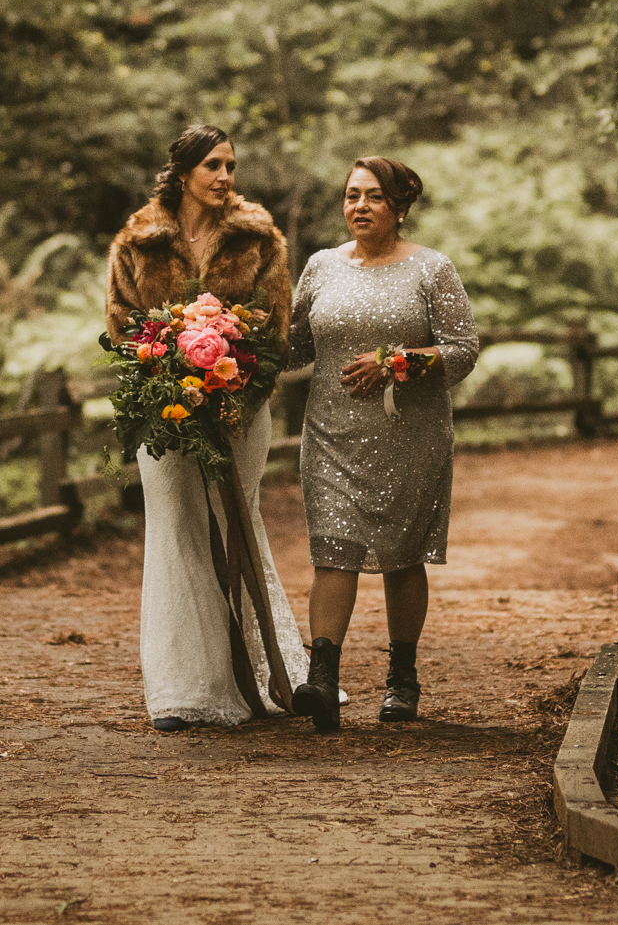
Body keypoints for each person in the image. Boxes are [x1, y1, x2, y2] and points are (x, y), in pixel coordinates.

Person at [105, 124, 308, 731]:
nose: (225, 177)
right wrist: (165, 371)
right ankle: (183, 688)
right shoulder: (138, 242)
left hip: (239, 412)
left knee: (237, 523)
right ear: (184, 171)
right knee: (175, 529)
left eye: (231, 166)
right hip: (161, 414)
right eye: (213, 166)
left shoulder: (259, 239)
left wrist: (232, 389)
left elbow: (275, 332)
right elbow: (121, 326)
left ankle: (258, 672)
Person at [286, 156, 480, 731]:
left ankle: (402, 678)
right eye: (351, 196)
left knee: (401, 553)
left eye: (372, 196)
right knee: (333, 548)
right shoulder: (320, 267)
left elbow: (463, 350)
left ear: (399, 205)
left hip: (409, 435)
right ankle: (322, 679)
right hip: (330, 433)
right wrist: (226, 343)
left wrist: (396, 362)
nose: (359, 206)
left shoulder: (432, 269)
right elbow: (295, 348)